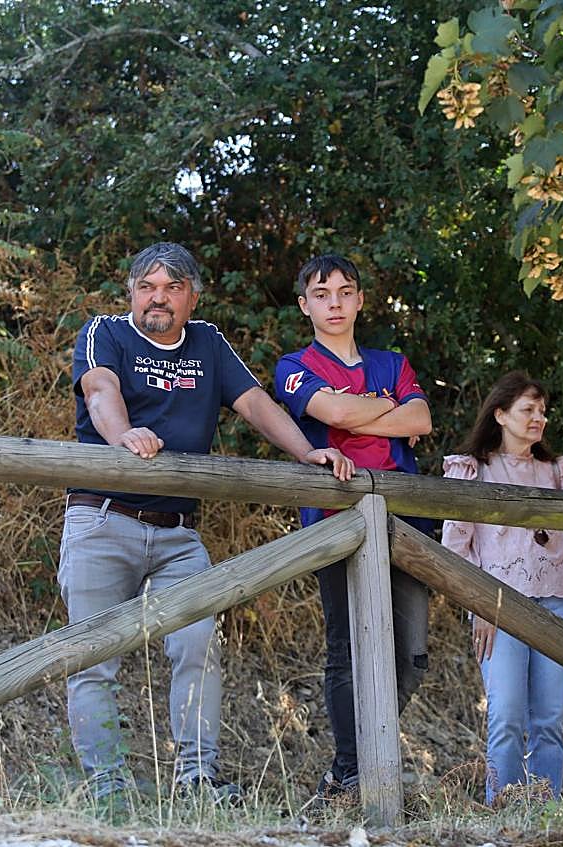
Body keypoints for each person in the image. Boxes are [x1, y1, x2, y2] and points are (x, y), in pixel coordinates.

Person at [62, 242, 353, 805]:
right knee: (93, 660)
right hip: (103, 518)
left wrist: (304, 454)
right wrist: (123, 435)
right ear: (131, 293)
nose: (159, 298)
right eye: (148, 287)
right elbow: (100, 390)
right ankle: (108, 792)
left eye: (173, 288)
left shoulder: (208, 342)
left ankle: (196, 782)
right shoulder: (107, 332)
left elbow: (256, 405)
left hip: (178, 534)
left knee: (198, 647)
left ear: (193, 296)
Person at [274, 254, 432, 803]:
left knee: (410, 655)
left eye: (346, 292)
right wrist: (381, 407)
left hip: (405, 522)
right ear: (305, 305)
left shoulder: (392, 362)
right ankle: (351, 771)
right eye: (322, 294)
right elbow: (332, 415)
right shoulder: (294, 364)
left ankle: (357, 763)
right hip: (334, 524)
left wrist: (364, 407)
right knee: (345, 649)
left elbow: (421, 420)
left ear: (361, 300)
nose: (335, 303)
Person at [440, 372, 563, 803]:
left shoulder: (558, 472)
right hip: (497, 606)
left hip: (559, 601)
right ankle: (503, 809)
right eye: (528, 410)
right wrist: (480, 606)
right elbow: (454, 550)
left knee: (549, 719)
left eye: (543, 411)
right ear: (500, 414)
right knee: (507, 714)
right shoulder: (471, 470)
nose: (539, 419)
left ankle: (546, 812)